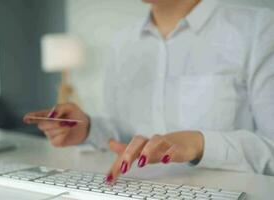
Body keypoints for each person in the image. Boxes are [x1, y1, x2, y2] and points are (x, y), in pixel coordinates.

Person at [24, 0, 274, 184]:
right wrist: (89, 129)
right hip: (133, 189)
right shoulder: (123, 43)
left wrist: (199, 143)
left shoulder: (260, 29)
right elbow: (123, 134)